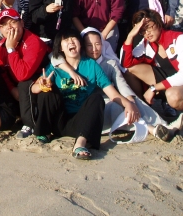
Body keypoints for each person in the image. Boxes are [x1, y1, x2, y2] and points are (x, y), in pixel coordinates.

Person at [32, 29, 138, 160]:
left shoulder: (91, 65)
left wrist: (128, 104)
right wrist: (42, 85)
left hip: (81, 123)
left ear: (80, 44)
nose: (71, 42)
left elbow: (111, 92)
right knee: (46, 92)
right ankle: (45, 133)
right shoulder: (54, 67)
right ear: (60, 48)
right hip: (57, 121)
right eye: (66, 40)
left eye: (74, 39)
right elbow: (34, 89)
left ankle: (80, 144)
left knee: (97, 99)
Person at [64, 28, 182, 142]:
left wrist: (130, 100)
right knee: (117, 107)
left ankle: (161, 126)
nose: (94, 49)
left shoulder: (110, 63)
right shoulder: (77, 63)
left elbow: (121, 83)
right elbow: (56, 60)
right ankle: (153, 129)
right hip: (92, 104)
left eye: (97, 44)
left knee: (132, 102)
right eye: (89, 45)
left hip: (111, 97)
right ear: (83, 46)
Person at [121, 9, 183, 125]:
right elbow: (126, 64)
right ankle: (143, 108)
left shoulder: (180, 39)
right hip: (166, 80)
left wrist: (153, 88)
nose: (147, 33)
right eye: (142, 31)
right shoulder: (146, 43)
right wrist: (130, 36)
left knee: (173, 96)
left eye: (149, 27)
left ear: (158, 23)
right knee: (130, 71)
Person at [0, 8, 50, 139]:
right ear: (0, 29)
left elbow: (23, 74)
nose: (9, 27)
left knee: (24, 83)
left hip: (39, 84)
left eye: (12, 22)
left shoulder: (34, 41)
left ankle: (29, 124)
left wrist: (11, 49)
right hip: (16, 87)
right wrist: (12, 89)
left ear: (22, 23)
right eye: (4, 24)